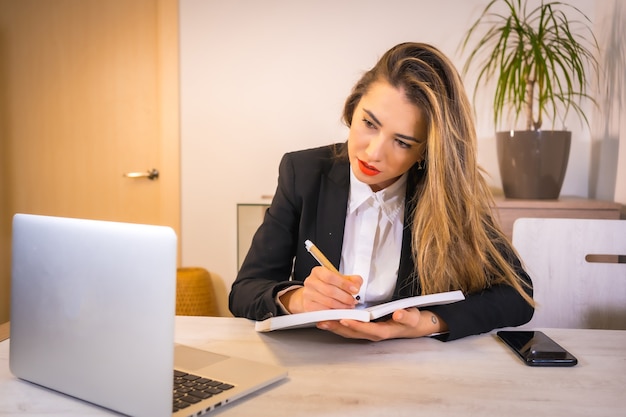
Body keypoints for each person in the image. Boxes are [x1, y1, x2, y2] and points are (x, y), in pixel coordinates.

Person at [229, 42, 534, 341]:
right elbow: (245, 290)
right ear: (353, 108)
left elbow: (517, 296)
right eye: (369, 123)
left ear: (425, 152)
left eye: (402, 142)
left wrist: (428, 323)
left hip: (412, 368)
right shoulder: (303, 172)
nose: (374, 153)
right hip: (315, 363)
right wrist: (297, 299)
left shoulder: (445, 193)